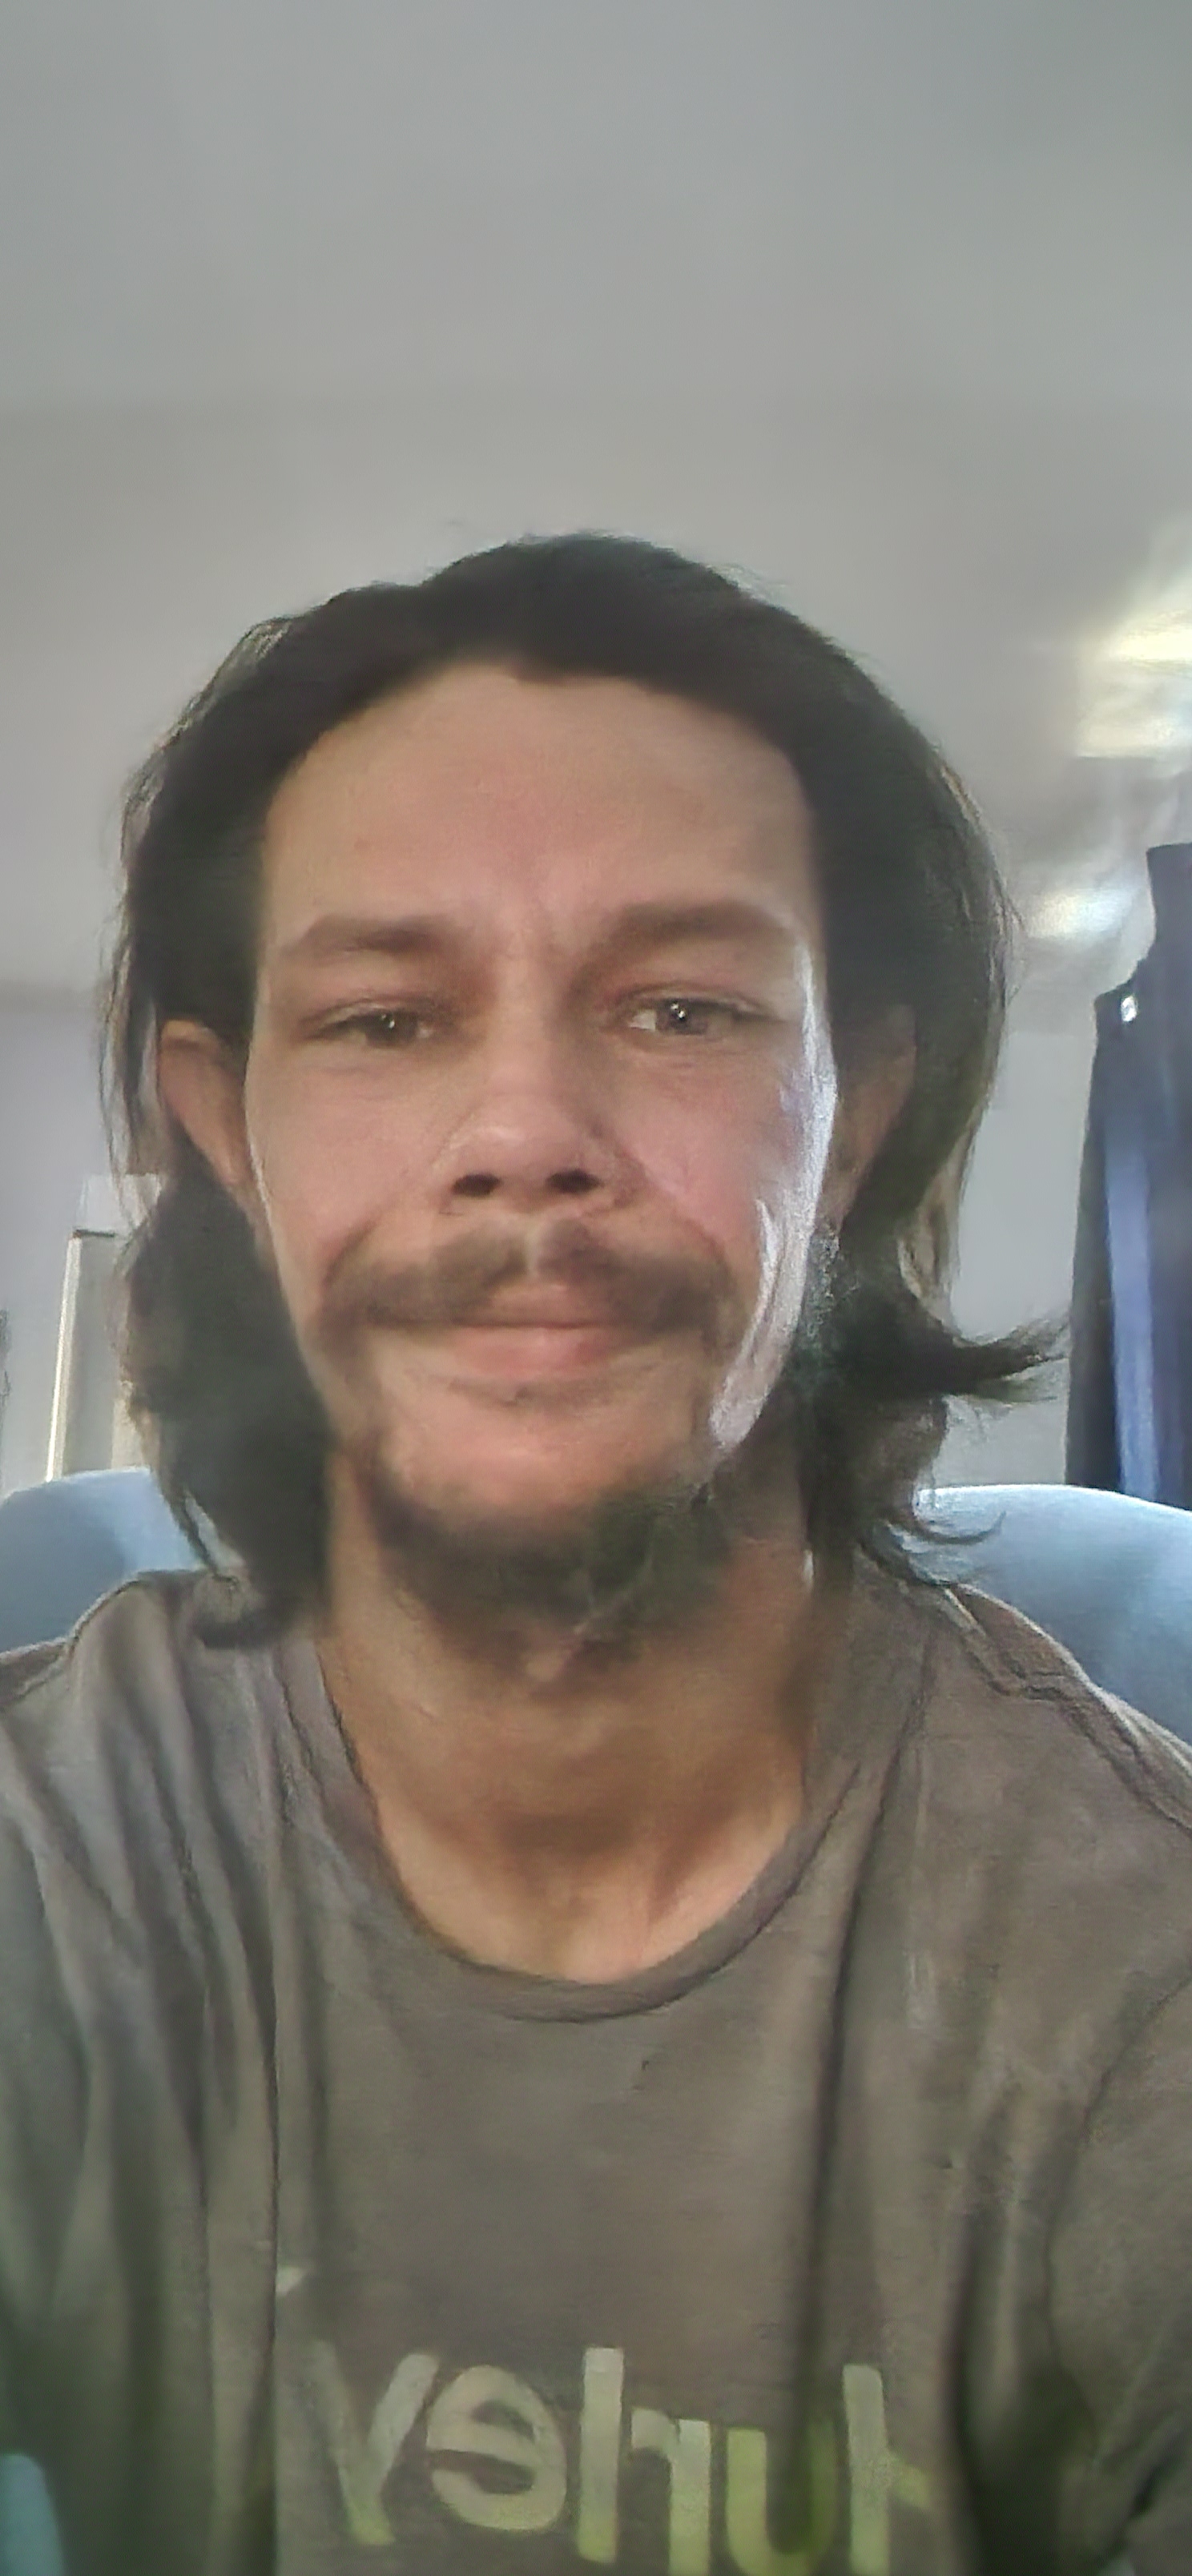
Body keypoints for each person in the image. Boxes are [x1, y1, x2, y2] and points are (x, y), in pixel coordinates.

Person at [1, 535, 1189, 2576]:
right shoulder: (55, 1859)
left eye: (680, 1007)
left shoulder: (1138, 1973)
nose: (527, 1132)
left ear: (857, 1116)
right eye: (386, 1019)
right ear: (227, 1131)